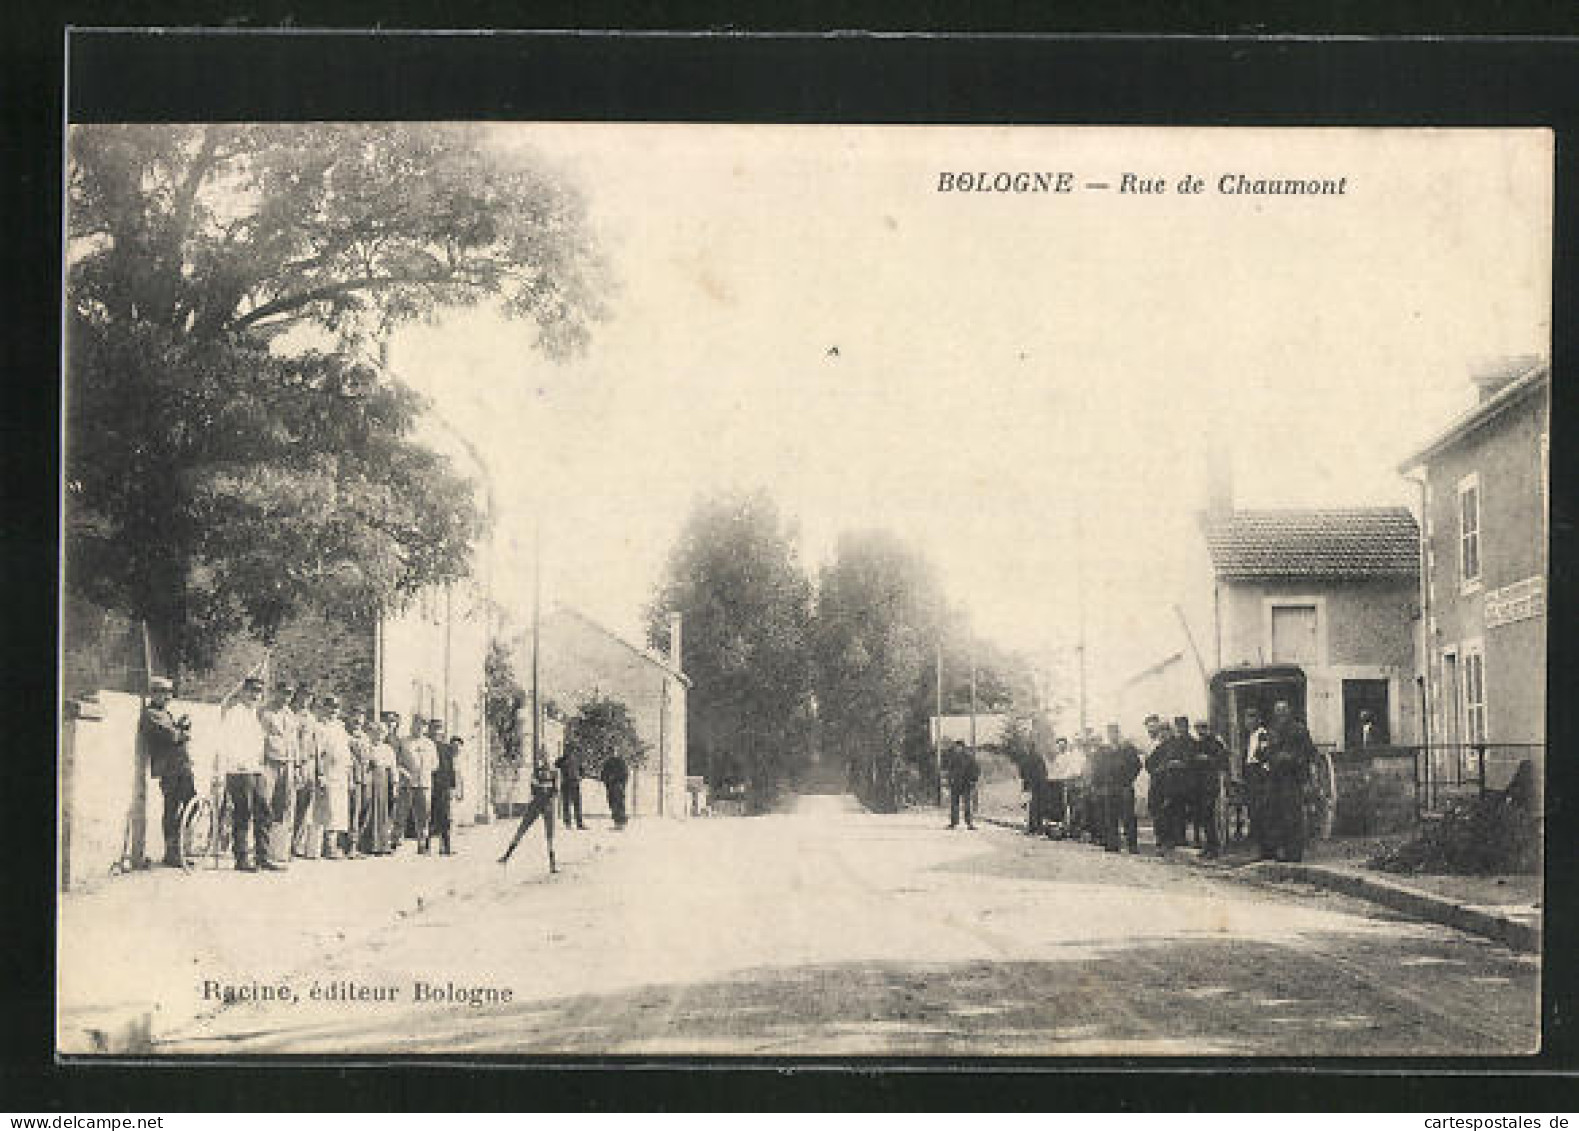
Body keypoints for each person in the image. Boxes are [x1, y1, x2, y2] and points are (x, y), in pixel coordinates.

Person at [215, 676, 277, 871]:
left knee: (264, 812)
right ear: (243, 692)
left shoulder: (254, 715)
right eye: (252, 691)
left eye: (259, 692)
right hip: (238, 770)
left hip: (255, 769)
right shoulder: (235, 714)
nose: (255, 695)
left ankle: (262, 856)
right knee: (243, 813)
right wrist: (235, 762)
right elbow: (225, 741)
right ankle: (241, 858)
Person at [140, 675, 194, 868]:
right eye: (162, 692)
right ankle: (171, 852)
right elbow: (171, 736)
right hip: (169, 769)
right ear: (153, 694)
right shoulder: (151, 714)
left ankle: (179, 847)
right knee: (171, 809)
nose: (166, 696)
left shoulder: (165, 713)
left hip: (182, 766)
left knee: (191, 805)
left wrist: (181, 729)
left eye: (168, 693)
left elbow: (176, 734)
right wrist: (183, 731)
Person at [1263, 700, 1319, 862]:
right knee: (1276, 815)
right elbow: (1265, 753)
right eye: (1278, 712)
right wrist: (1272, 756)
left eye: (1284, 711)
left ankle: (1294, 853)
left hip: (1293, 778)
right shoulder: (1271, 731)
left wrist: (1292, 758)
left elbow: (1310, 753)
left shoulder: (1299, 730)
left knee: (1292, 816)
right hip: (1275, 779)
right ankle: (1281, 851)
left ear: (1289, 712)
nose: (1281, 715)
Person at [499, 747, 559, 873]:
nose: (545, 759)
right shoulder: (537, 771)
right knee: (522, 828)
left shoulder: (555, 772)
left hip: (548, 804)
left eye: (546, 756)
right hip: (536, 803)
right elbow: (533, 787)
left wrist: (543, 787)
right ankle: (506, 855)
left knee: (550, 834)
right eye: (542, 757)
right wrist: (544, 786)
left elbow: (555, 790)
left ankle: (552, 863)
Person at [258, 683, 297, 869]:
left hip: (287, 763)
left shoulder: (290, 714)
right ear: (276, 692)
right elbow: (259, 738)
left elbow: (293, 741)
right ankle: (262, 853)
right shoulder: (265, 712)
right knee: (264, 805)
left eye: (290, 694)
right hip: (269, 762)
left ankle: (277, 852)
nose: (287, 697)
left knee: (282, 807)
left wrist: (295, 765)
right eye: (284, 693)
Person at [1189, 719, 1232, 858]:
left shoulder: (1215, 742)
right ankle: (1208, 845)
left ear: (1207, 728)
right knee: (1203, 816)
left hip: (1211, 783)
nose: (1200, 731)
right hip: (1199, 784)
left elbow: (1223, 759)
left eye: (1202, 728)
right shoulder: (1197, 743)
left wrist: (1208, 759)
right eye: (1197, 728)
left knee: (1210, 814)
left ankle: (1214, 847)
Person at [1097, 723, 1143, 853]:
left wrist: (1128, 780)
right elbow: (1098, 768)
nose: (1112, 736)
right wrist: (1102, 783)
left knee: (1128, 816)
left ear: (1118, 733)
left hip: (1124, 787)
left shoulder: (1128, 749)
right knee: (1111, 816)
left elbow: (1137, 766)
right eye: (1110, 733)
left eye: (1115, 732)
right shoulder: (1103, 751)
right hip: (1110, 787)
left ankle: (1132, 845)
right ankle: (1113, 843)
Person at [291, 686, 324, 859]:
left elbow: (317, 746)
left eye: (309, 697)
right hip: (296, 764)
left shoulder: (312, 719)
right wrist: (296, 765)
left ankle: (296, 843)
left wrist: (320, 772)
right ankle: (284, 843)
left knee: (304, 807)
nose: (306, 700)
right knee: (290, 804)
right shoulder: (291, 716)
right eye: (303, 696)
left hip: (310, 765)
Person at [429, 719, 463, 855]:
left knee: (445, 817)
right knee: (429, 817)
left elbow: (451, 769)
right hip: (429, 784)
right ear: (429, 730)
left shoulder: (446, 748)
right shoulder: (426, 745)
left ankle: (446, 847)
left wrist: (452, 787)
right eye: (434, 729)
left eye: (439, 729)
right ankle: (426, 846)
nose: (437, 732)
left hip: (443, 787)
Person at [406, 717, 439, 853]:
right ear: (412, 726)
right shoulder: (405, 742)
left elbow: (435, 764)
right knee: (402, 813)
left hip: (425, 783)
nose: (419, 729)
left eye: (422, 726)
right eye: (417, 725)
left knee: (424, 815)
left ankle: (422, 843)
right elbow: (399, 760)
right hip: (407, 783)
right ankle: (395, 842)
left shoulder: (430, 744)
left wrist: (424, 770)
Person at [363, 717, 396, 855]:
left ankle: (383, 844)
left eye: (382, 733)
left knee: (383, 812)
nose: (379, 735)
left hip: (384, 779)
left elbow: (393, 767)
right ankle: (370, 844)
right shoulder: (367, 747)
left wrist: (394, 783)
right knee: (371, 810)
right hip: (371, 777)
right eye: (376, 732)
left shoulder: (388, 748)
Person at [344, 708, 370, 859]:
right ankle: (350, 846)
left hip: (365, 778)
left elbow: (368, 757)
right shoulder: (346, 737)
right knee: (353, 811)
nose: (358, 722)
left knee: (363, 811)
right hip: (352, 778)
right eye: (355, 719)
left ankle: (357, 843)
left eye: (360, 719)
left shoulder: (365, 737)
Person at [944, 740, 979, 830]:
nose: (957, 749)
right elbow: (949, 771)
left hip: (966, 784)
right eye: (956, 747)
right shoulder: (952, 758)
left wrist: (973, 780)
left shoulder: (969, 758)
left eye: (959, 747)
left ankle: (969, 823)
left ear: (963, 747)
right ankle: (954, 823)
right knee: (954, 804)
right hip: (955, 784)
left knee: (967, 804)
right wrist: (949, 781)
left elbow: (975, 770)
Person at [556, 745, 588, 831]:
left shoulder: (577, 760)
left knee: (577, 804)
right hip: (566, 783)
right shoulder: (562, 760)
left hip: (574, 783)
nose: (570, 752)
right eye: (568, 750)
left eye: (571, 750)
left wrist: (580, 777)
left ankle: (579, 823)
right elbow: (556, 765)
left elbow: (582, 770)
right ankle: (568, 823)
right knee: (566, 804)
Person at [601, 751, 631, 828]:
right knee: (612, 803)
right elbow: (603, 774)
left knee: (618, 803)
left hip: (617, 785)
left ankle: (620, 821)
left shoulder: (620, 762)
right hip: (611, 786)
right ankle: (618, 821)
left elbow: (625, 774)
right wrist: (607, 781)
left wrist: (621, 783)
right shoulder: (608, 762)